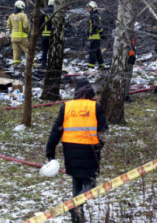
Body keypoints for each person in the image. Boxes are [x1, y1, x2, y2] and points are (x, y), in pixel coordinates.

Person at [45, 79, 109, 223]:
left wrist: (50, 152)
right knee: (90, 183)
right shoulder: (95, 106)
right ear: (90, 91)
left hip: (70, 150)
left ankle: (77, 218)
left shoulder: (66, 106)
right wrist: (98, 147)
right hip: (90, 150)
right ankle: (76, 207)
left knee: (76, 180)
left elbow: (55, 131)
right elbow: (103, 132)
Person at [7, 0, 30, 69]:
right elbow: (26, 26)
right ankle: (31, 65)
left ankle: (16, 65)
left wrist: (13, 31)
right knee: (28, 51)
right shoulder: (23, 15)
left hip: (13, 37)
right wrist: (27, 31)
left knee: (16, 52)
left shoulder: (11, 16)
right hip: (22, 37)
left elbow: (8, 26)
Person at [124, 23, 140, 103]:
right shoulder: (129, 35)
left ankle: (123, 93)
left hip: (125, 58)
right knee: (127, 77)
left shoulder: (124, 33)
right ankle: (125, 95)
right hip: (129, 58)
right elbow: (131, 47)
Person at [86, 1, 104, 70]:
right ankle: (101, 65)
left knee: (92, 52)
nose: (88, 9)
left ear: (93, 8)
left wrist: (101, 33)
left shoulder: (94, 16)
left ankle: (91, 66)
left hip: (94, 37)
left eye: (90, 8)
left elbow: (98, 26)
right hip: (94, 37)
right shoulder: (93, 15)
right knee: (97, 52)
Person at [39, 0, 55, 68]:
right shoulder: (56, 11)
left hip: (44, 35)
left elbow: (39, 24)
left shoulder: (43, 12)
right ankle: (52, 64)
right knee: (52, 50)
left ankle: (43, 63)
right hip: (53, 35)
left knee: (45, 49)